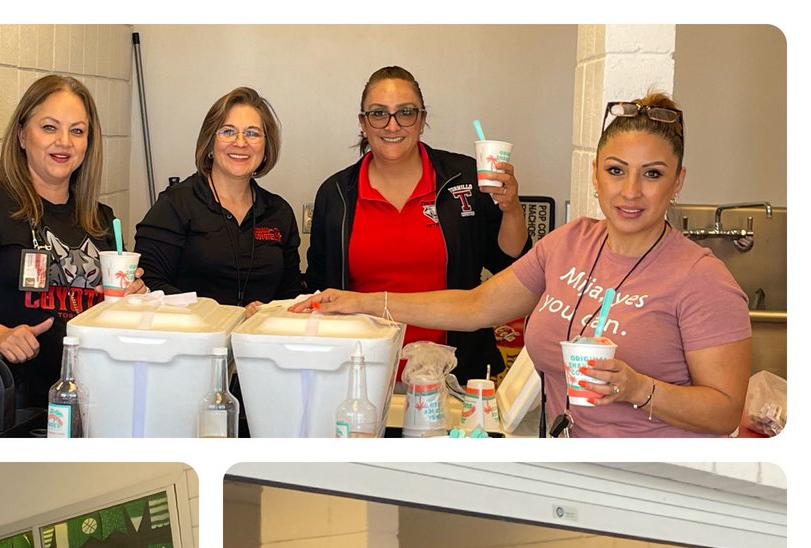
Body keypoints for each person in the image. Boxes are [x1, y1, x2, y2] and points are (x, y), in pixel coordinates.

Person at [299, 94, 751, 437]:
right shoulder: (571, 243)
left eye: (652, 174)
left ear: (678, 182)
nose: (630, 191)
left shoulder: (701, 278)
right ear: (596, 174)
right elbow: (477, 306)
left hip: (651, 481)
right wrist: (362, 302)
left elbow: (726, 410)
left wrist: (638, 389)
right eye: (616, 171)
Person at [306, 65, 529, 383]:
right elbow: (319, 286)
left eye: (406, 112)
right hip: (359, 373)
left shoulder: (463, 178)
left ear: (422, 120)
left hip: (454, 371)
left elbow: (509, 262)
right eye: (379, 113)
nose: (392, 125)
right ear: (363, 123)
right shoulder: (337, 193)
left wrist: (511, 209)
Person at [0, 75, 143, 405]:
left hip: (98, 395)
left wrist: (133, 298)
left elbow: (108, 313)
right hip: (16, 402)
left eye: (77, 130)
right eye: (49, 127)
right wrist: (0, 336)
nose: (64, 141)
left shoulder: (102, 217)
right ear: (22, 135)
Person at [134, 86, 303, 314]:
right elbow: (149, 286)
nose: (240, 143)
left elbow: (291, 296)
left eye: (252, 133)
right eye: (228, 131)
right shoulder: (175, 205)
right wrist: (225, 315)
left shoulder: (279, 212)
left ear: (266, 145)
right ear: (210, 142)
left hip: (260, 344)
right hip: (191, 343)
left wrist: (268, 311)